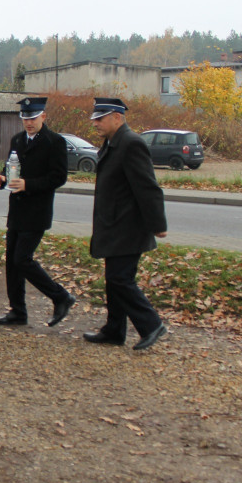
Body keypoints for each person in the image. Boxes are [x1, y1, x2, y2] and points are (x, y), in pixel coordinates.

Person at [85, 97, 169, 350]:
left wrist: (158, 225)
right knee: (114, 279)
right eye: (95, 119)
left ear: (117, 118)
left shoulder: (131, 143)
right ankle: (114, 330)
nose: (96, 124)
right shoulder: (112, 143)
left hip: (129, 227)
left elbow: (148, 187)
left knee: (120, 279)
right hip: (114, 225)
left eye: (100, 119)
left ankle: (151, 324)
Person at [0, 97, 76, 327]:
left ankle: (60, 296)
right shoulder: (17, 139)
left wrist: (28, 184)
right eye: (25, 118)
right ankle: (18, 311)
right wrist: (2, 179)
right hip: (17, 211)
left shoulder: (54, 141)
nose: (28, 122)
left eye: (33, 118)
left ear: (43, 117)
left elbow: (58, 177)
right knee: (12, 262)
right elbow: (10, 168)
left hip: (37, 211)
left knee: (23, 259)